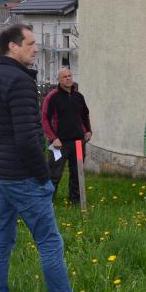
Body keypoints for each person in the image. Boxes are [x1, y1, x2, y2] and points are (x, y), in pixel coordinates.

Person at [0, 24, 79, 292]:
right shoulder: (19, 82)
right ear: (12, 47)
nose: (36, 48)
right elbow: (27, 139)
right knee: (49, 242)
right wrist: (43, 177)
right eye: (30, 43)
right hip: (23, 177)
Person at [41, 67, 92, 206]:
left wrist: (88, 131)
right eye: (64, 77)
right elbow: (45, 119)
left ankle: (75, 201)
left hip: (78, 143)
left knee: (77, 173)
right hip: (59, 144)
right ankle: (47, 203)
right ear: (59, 80)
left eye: (70, 75)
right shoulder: (52, 96)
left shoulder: (78, 96)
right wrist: (53, 137)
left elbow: (85, 115)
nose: (68, 78)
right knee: (54, 174)